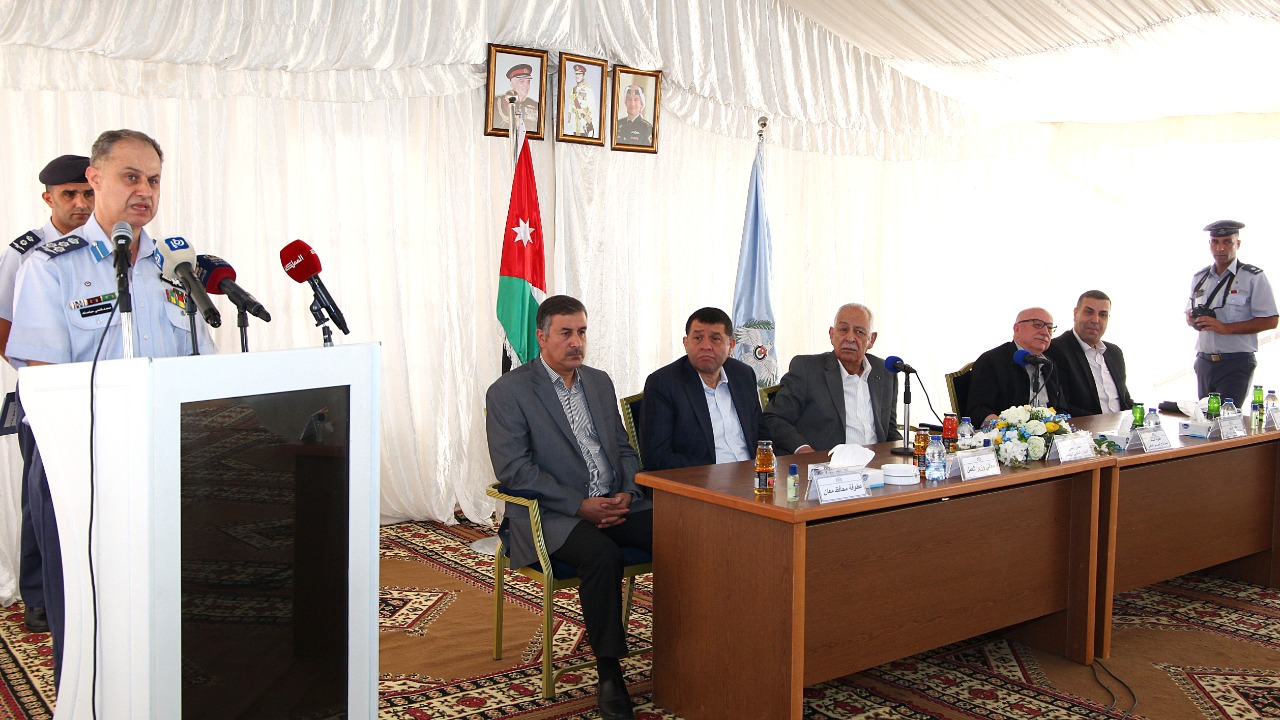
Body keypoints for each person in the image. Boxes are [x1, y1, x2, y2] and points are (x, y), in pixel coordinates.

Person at [8, 129, 215, 686]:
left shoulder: (175, 266)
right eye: (131, 177)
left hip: (166, 459)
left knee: (164, 596)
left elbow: (203, 365)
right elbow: (44, 377)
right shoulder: (50, 266)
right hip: (82, 464)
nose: (145, 190)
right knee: (85, 609)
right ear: (95, 179)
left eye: (154, 180)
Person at [485, 295, 651, 720]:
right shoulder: (509, 392)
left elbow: (622, 448)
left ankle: (689, 645)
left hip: (614, 503)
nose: (577, 342)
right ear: (542, 337)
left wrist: (628, 492)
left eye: (582, 332)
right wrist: (579, 505)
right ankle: (609, 673)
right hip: (551, 514)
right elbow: (514, 469)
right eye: (566, 333)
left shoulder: (599, 382)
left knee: (684, 531)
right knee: (603, 557)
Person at [1, 154, 94, 635]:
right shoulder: (25, 252)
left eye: (87, 193)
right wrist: (36, 379)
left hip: (97, 393)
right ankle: (37, 596)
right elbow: (3, 324)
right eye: (68, 195)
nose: (80, 203)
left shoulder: (106, 247)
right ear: (48, 198)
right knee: (42, 493)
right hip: (44, 391)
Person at [639, 307, 769, 471]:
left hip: (753, 476)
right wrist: (713, 473)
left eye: (715, 339)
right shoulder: (663, 383)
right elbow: (656, 457)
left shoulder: (743, 375)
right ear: (686, 343)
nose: (706, 346)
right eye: (698, 338)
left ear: (731, 345)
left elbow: (761, 436)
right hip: (700, 480)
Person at [763, 303, 900, 454]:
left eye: (859, 332)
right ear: (832, 334)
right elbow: (775, 417)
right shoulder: (807, 369)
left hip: (877, 462)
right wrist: (802, 449)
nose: (850, 338)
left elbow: (889, 430)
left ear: (871, 339)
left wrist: (905, 450)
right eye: (843, 330)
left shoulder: (885, 372)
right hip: (827, 463)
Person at [1186, 220, 1278, 405]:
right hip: (1204, 362)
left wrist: (1226, 328)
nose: (1220, 248)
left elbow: (1271, 320)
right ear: (1210, 244)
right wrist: (1192, 319)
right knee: (1204, 417)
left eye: (1227, 242)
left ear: (1238, 244)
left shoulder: (1253, 277)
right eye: (1215, 242)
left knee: (1227, 418)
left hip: (1236, 362)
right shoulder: (1200, 278)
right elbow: (1189, 312)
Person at [967, 307, 1068, 423]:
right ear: (1017, 329)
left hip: (1049, 431)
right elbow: (978, 410)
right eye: (1037, 325)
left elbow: (1061, 408)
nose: (1045, 332)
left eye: (1050, 327)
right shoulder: (991, 361)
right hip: (1007, 432)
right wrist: (1006, 427)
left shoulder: (1048, 364)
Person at [1045, 290, 1134, 418]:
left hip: (1121, 426)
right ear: (1075, 314)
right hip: (1086, 428)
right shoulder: (1056, 350)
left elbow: (1125, 400)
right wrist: (1104, 423)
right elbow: (1062, 406)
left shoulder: (1114, 353)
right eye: (1089, 312)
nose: (1095, 320)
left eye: (1103, 315)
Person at [492, 63, 540, 131]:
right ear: (512, 84)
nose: (526, 86)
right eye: (522, 82)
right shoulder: (497, 102)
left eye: (528, 82)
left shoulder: (535, 104)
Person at [564, 63, 596, 138]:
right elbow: (570, 106)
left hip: (583, 121)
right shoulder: (573, 90)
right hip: (574, 122)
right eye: (576, 74)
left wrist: (587, 119)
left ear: (583, 75)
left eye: (579, 74)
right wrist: (569, 121)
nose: (577, 76)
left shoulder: (588, 89)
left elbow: (592, 107)